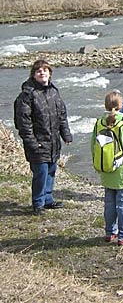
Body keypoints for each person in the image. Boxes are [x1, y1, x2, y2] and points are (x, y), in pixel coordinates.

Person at [14, 59, 73, 216]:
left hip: (53, 141)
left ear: (49, 73)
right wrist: (32, 143)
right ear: (34, 75)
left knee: (51, 171)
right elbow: (23, 122)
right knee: (40, 172)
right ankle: (38, 203)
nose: (42, 73)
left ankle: (48, 199)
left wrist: (66, 134)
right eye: (38, 71)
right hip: (38, 142)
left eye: (45, 70)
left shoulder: (54, 92)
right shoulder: (27, 95)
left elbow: (62, 115)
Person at [92, 91, 123, 246]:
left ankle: (110, 232)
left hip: (106, 171)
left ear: (105, 105)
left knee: (109, 203)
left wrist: (97, 166)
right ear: (121, 106)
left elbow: (93, 147)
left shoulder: (98, 123)